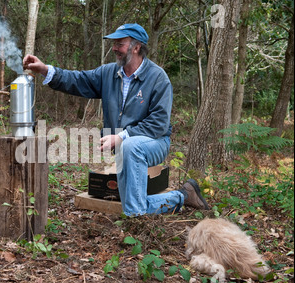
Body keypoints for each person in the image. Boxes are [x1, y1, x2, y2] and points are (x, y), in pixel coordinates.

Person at [23, 23, 209, 216]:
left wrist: (122, 136)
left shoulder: (157, 78)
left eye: (120, 44)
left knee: (130, 149)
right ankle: (182, 196)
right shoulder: (109, 73)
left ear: (136, 47)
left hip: (155, 142)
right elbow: (78, 80)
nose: (114, 48)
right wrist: (45, 70)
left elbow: (159, 123)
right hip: (124, 147)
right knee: (130, 197)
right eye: (114, 44)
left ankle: (137, 217)